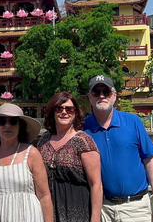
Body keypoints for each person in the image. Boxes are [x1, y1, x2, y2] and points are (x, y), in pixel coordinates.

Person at [84, 75, 153, 222]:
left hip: (136, 208)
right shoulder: (82, 128)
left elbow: (150, 162)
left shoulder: (133, 122)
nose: (101, 95)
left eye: (106, 91)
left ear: (115, 95)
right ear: (89, 97)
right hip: (101, 209)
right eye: (96, 92)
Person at [0, 103, 53, 222]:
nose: (7, 125)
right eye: (2, 121)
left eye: (13, 121)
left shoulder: (32, 153)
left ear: (20, 126)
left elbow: (44, 195)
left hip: (28, 215)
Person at [37, 91, 102, 222]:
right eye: (59, 108)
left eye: (69, 109)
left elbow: (96, 184)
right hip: (48, 209)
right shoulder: (44, 139)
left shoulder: (83, 141)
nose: (64, 112)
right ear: (52, 112)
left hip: (76, 208)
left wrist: (95, 218)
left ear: (75, 112)